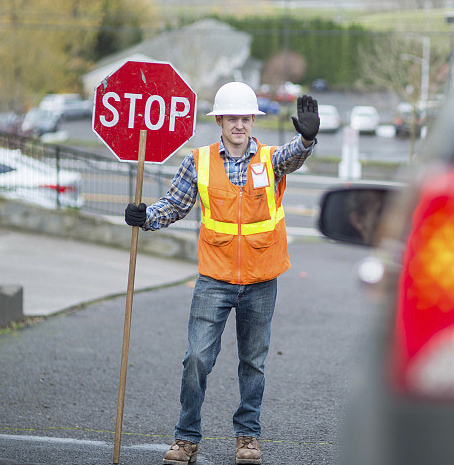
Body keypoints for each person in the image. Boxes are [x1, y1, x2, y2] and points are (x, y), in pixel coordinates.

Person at [124, 81, 319, 465]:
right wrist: (146, 217)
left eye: (245, 118)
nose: (240, 125)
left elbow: (292, 156)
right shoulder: (198, 161)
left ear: (251, 121)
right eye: (233, 118)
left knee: (253, 363)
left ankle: (247, 437)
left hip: (261, 279)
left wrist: (308, 141)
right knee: (196, 358)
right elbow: (175, 204)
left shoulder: (269, 159)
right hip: (214, 278)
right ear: (220, 121)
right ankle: (186, 438)